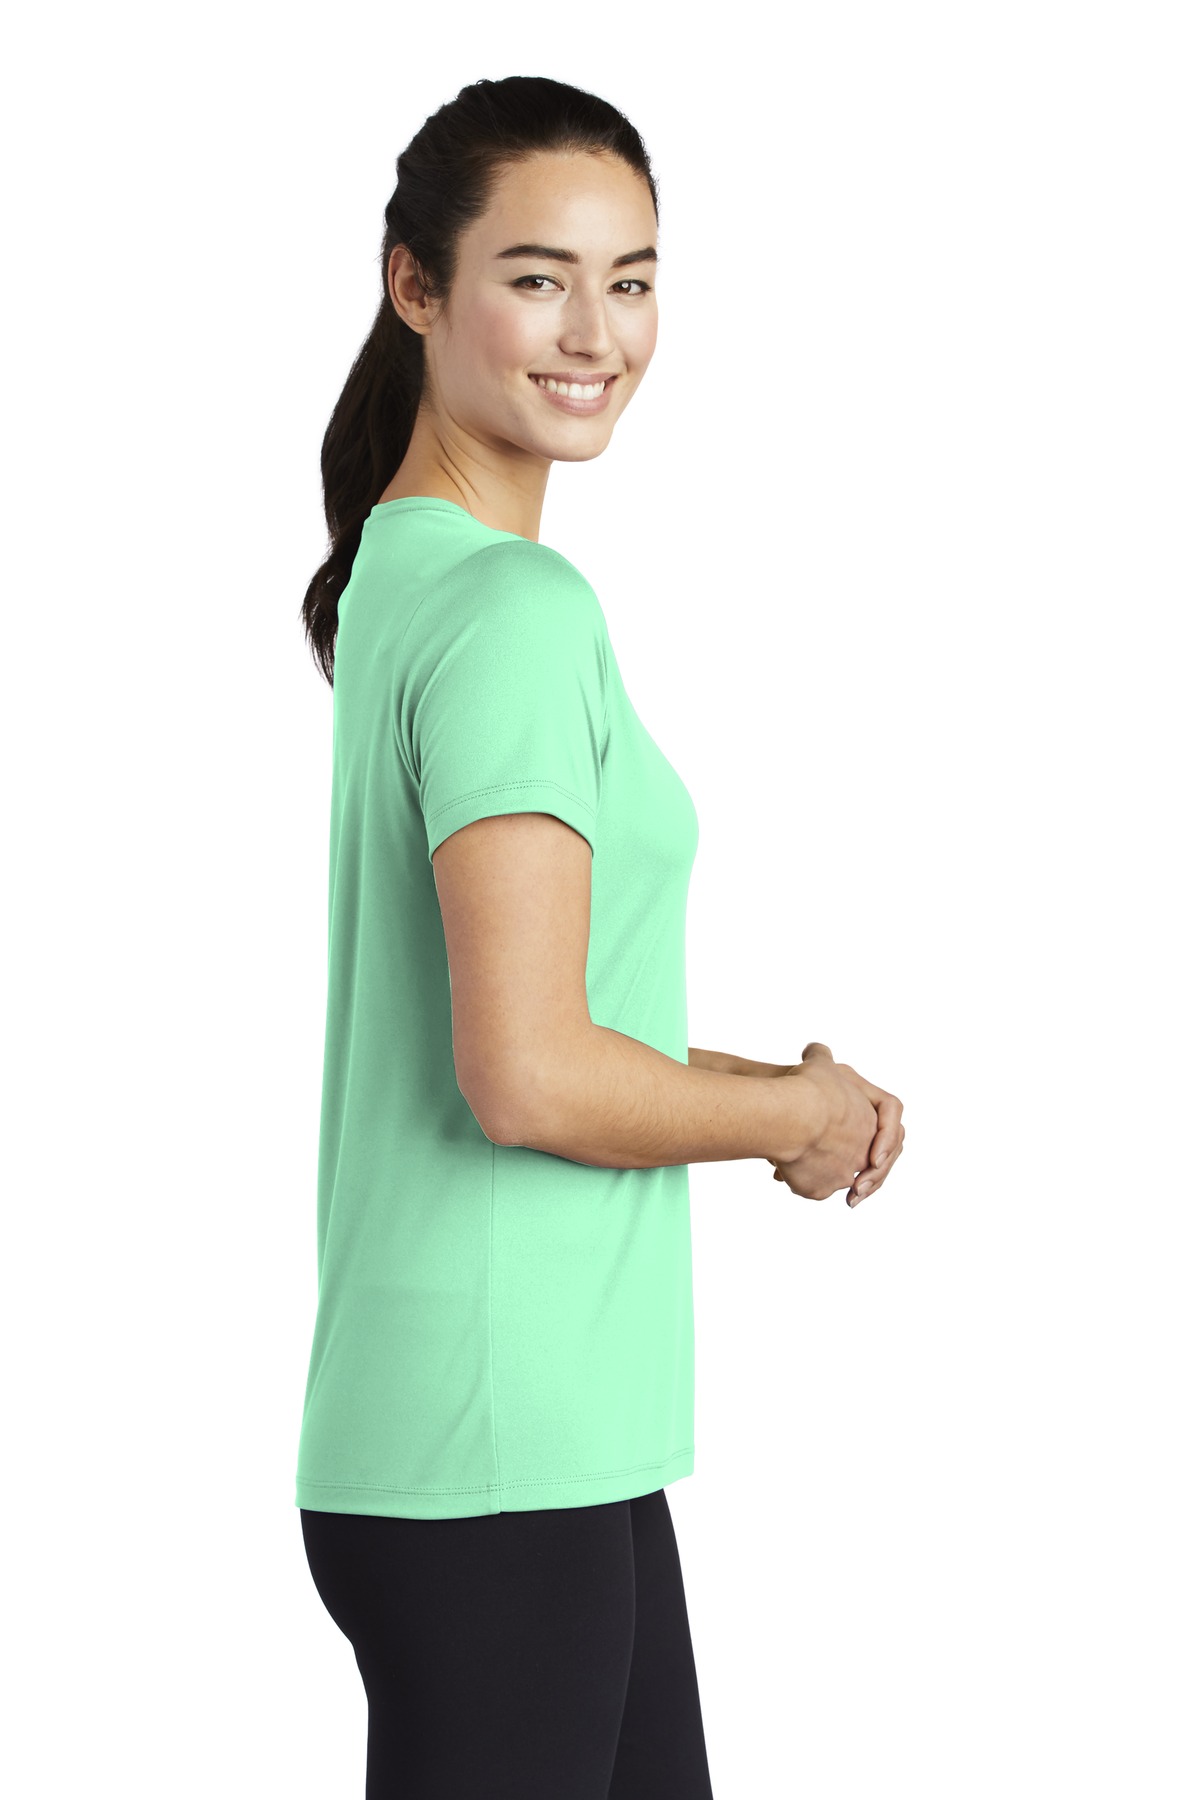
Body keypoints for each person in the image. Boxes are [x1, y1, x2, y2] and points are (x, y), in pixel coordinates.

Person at [294, 74, 905, 1800]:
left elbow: (539, 1017)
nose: (596, 333)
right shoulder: (511, 607)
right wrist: (787, 1118)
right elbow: (529, 1074)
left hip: (526, 1439)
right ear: (416, 287)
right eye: (537, 277)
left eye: (630, 280)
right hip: (500, 1446)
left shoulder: (412, 571)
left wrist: (786, 1089)